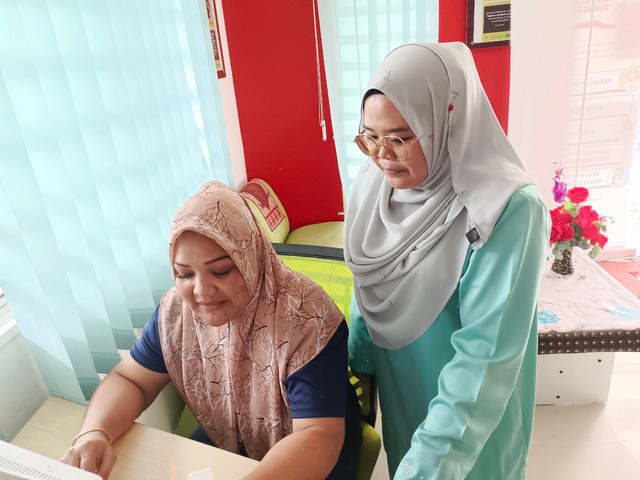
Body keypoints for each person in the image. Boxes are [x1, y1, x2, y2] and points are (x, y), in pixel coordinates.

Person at [344, 42, 550, 479]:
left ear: (446, 121)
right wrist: (356, 366)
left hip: (473, 415)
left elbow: (486, 356)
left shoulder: (507, 209)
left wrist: (425, 467)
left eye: (400, 138)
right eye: (370, 137)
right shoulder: (372, 184)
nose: (381, 155)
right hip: (402, 388)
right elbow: (368, 280)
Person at [61, 181, 362, 480]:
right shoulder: (177, 311)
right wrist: (94, 434)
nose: (201, 291)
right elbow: (131, 380)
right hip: (231, 439)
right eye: (184, 274)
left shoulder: (307, 319)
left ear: (250, 259)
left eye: (220, 271)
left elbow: (317, 435)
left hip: (313, 454)